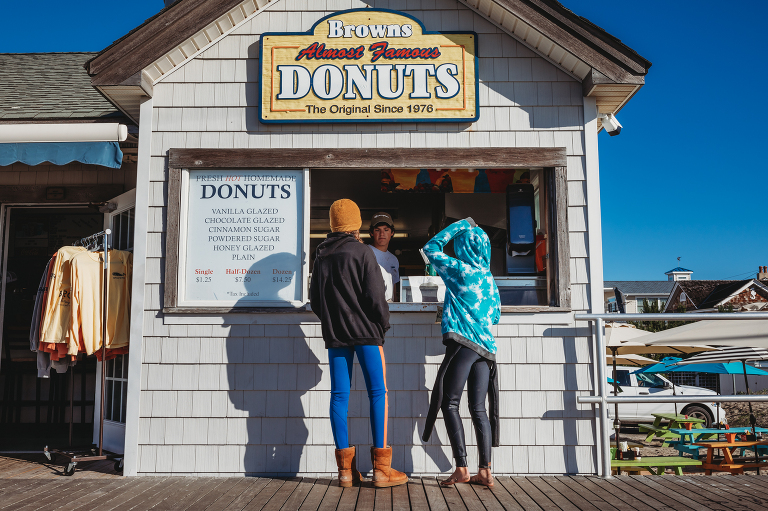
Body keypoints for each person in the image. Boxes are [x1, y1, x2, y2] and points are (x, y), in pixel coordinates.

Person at [310, 199, 408, 488]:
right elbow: (377, 297)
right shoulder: (363, 252)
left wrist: (333, 322)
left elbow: (316, 300)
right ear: (354, 224)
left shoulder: (322, 255)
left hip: (336, 336)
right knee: (378, 393)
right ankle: (381, 470)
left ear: (332, 224)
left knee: (339, 396)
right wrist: (382, 325)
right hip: (366, 334)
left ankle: (345, 472)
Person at [421, 218, 501, 487]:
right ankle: (486, 471)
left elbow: (430, 248)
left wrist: (460, 225)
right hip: (486, 350)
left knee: (449, 403)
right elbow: (496, 315)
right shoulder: (489, 278)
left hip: (464, 345)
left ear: (463, 247)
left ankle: (462, 468)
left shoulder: (460, 270)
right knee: (478, 408)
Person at [368, 212, 399, 302]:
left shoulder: (394, 259)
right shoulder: (365, 253)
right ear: (371, 232)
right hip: (371, 310)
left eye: (386, 230)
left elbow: (393, 289)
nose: (382, 234)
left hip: (390, 310)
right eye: (377, 230)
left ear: (392, 232)